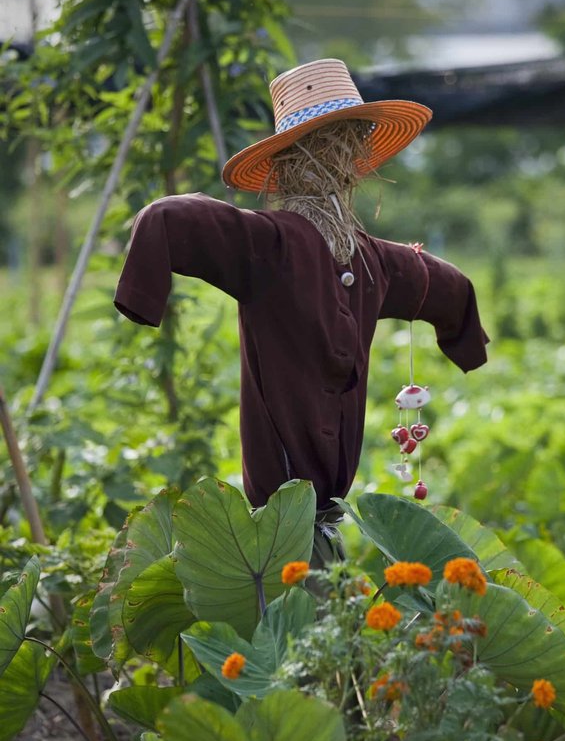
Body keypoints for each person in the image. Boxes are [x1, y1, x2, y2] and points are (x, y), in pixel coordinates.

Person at [114, 58, 488, 563]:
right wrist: (143, 289)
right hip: (279, 520)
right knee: (296, 611)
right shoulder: (272, 245)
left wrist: (462, 331)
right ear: (348, 154)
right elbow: (172, 218)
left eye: (345, 141)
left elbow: (439, 283)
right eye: (336, 143)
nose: (342, 155)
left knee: (313, 613)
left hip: (322, 517)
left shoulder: (369, 259)